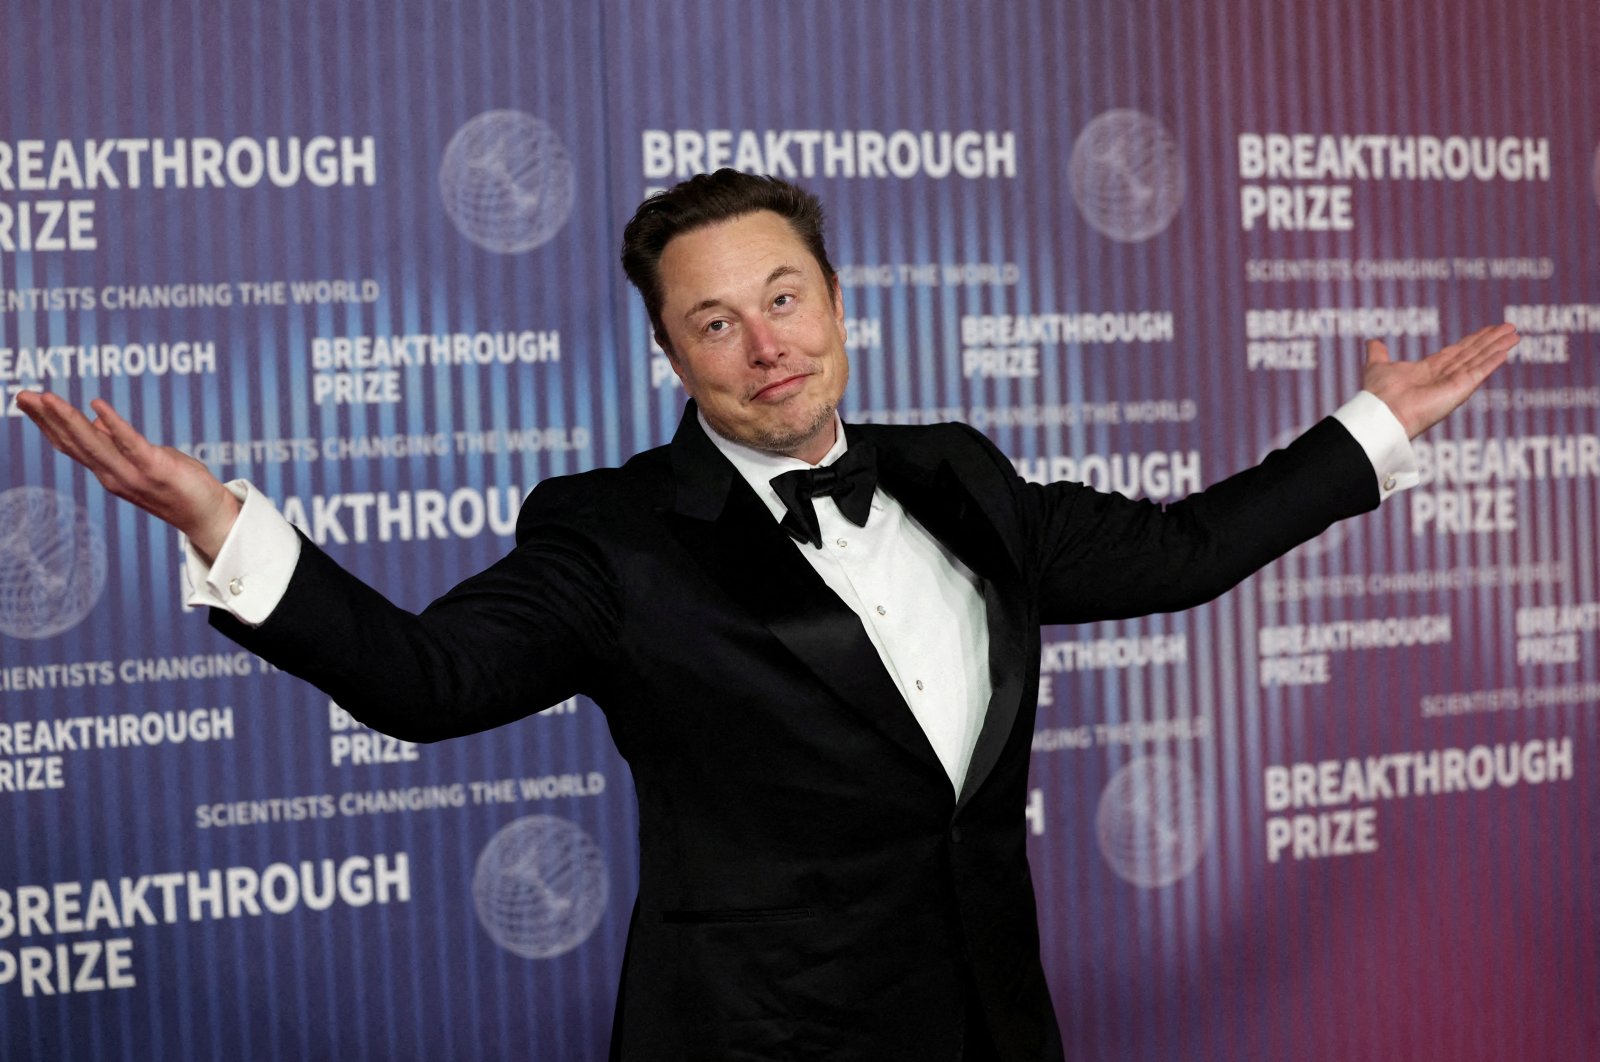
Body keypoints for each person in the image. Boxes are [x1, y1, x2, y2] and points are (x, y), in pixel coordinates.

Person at [19, 169, 1517, 1061]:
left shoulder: (959, 476)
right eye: (713, 319)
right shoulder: (610, 535)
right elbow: (426, 677)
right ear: (668, 350)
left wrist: (1368, 432)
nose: (764, 343)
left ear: (840, 300)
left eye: (784, 295)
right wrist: (227, 528)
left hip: (994, 1022)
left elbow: (1184, 549)